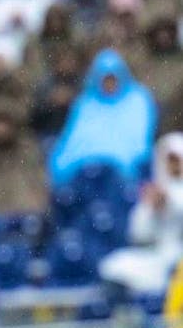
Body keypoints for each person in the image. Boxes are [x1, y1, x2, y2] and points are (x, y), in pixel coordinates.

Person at [49, 49, 157, 186]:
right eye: (105, 79)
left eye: (113, 79)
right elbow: (73, 138)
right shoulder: (86, 101)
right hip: (84, 170)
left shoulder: (138, 99)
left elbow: (138, 138)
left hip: (121, 174)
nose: (109, 84)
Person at [100, 133, 183, 294]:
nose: (174, 166)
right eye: (169, 160)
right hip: (159, 256)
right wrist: (151, 208)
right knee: (114, 265)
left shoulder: (172, 194)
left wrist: (169, 201)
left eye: (177, 160)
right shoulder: (155, 190)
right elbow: (137, 234)